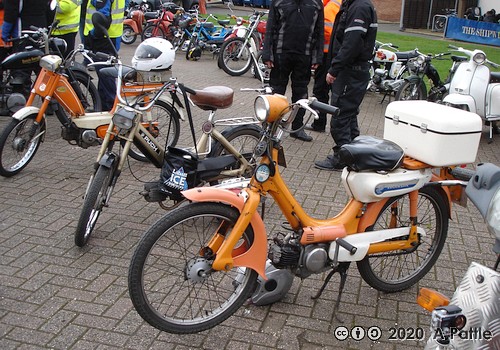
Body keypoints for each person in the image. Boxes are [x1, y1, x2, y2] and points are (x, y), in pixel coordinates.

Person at [315, 0, 377, 170]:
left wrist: (335, 69)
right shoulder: (355, 5)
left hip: (350, 71)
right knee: (349, 115)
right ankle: (354, 155)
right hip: (353, 71)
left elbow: (352, 43)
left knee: (340, 116)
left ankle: (343, 158)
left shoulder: (359, 7)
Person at [262, 0, 324, 142]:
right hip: (280, 54)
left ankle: (297, 128)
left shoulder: (316, 3)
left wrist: (317, 57)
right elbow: (270, 28)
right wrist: (267, 54)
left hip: (305, 55)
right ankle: (269, 128)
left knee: (301, 94)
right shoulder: (278, 2)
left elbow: (319, 32)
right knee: (276, 93)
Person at [83, 0, 126, 111]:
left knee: (106, 75)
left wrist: (92, 35)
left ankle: (111, 109)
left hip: (103, 38)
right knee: (104, 75)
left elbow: (103, 19)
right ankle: (103, 107)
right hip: (111, 36)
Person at [307, 0, 342, 133]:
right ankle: (324, 124)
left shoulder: (331, 5)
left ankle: (320, 124)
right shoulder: (332, 3)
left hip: (327, 54)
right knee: (327, 92)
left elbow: (326, 30)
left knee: (321, 91)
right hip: (331, 54)